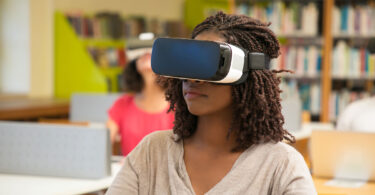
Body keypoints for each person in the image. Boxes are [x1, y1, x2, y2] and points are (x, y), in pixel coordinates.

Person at [106, 12, 316, 194]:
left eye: (210, 64)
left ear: (249, 74)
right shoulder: (153, 151)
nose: (192, 79)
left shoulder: (281, 165)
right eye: (190, 64)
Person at [107, 47, 174, 156]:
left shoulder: (177, 107)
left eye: (153, 52)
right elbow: (104, 142)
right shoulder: (122, 104)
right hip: (130, 170)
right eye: (141, 54)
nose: (146, 53)